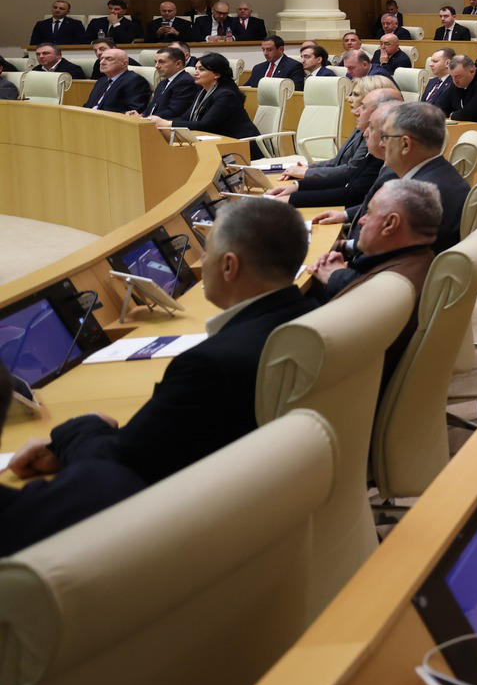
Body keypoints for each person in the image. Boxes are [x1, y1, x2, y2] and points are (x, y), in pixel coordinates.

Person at [0, 197, 313, 553]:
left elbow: (119, 466)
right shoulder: (310, 313)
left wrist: (78, 430)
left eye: (206, 251)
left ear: (229, 266)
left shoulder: (208, 367)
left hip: (200, 537)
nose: (202, 261)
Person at [306, 177, 440, 397]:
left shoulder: (390, 288)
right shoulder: (420, 260)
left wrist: (338, 277)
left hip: (347, 395)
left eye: (369, 213)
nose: (361, 221)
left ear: (390, 224)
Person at [315, 102, 469, 253]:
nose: (381, 144)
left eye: (386, 137)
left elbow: (380, 259)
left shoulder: (414, 196)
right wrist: (345, 219)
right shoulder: (438, 172)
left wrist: (335, 268)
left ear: (405, 145)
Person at [274, 86, 404, 206]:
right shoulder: (376, 150)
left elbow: (352, 192)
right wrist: (299, 184)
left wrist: (295, 195)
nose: (355, 110)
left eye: (363, 106)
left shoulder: (387, 162)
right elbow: (347, 177)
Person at [153, 52, 258, 138]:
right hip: (216, 140)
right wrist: (160, 121)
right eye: (196, 69)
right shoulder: (202, 92)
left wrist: (167, 124)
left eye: (201, 69)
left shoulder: (226, 95)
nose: (196, 73)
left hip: (241, 144)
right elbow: (186, 118)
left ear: (216, 74)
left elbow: (205, 125)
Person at [141, 45, 200, 122]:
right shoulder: (163, 82)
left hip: (168, 126)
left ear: (178, 64)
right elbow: (153, 106)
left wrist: (147, 119)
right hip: (153, 123)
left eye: (161, 62)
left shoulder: (185, 82)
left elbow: (174, 111)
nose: (156, 66)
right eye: (156, 62)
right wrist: (141, 115)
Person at [82, 47, 150, 113]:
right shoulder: (101, 81)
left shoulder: (135, 81)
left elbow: (133, 111)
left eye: (109, 59)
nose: (102, 62)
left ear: (124, 64)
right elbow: (88, 105)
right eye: (101, 59)